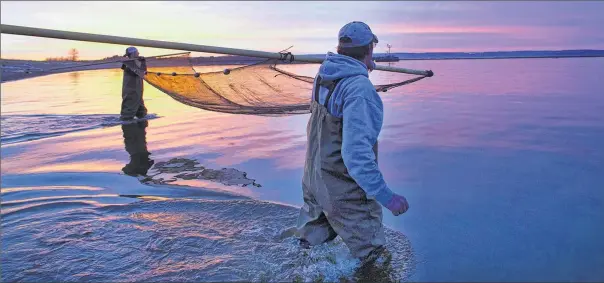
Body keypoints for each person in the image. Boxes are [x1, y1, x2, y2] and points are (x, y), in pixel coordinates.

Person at [295, 21, 410, 261]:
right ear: (369, 49)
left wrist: (363, 66)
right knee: (375, 258)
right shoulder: (359, 89)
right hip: (342, 188)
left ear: (340, 50)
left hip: (313, 180)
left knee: (309, 252)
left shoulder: (324, 75)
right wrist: (387, 197)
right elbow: (356, 155)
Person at [120, 46, 148, 121]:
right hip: (131, 93)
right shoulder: (128, 64)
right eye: (137, 52)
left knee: (142, 113)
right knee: (127, 115)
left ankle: (141, 128)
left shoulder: (135, 63)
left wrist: (143, 62)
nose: (138, 53)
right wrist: (143, 62)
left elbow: (144, 72)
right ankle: (127, 128)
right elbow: (139, 73)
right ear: (133, 54)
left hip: (138, 93)